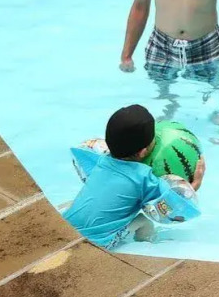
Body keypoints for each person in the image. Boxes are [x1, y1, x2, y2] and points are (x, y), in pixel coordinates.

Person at [63, 104, 207, 247]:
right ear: (143, 152)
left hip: (66, 226)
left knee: (75, 204)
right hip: (100, 242)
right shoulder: (144, 178)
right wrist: (193, 186)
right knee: (143, 222)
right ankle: (146, 246)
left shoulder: (100, 161)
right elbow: (174, 206)